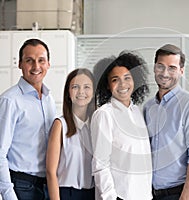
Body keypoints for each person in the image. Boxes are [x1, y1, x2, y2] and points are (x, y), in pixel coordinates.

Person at [143, 44, 189, 200]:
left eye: (172, 68)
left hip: (180, 194)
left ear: (181, 71)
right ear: (154, 68)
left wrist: (185, 197)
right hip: (150, 193)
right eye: (161, 66)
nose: (165, 73)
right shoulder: (148, 107)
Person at [91, 52, 152, 200]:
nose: (122, 84)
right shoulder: (105, 114)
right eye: (115, 80)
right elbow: (100, 164)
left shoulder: (137, 112)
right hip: (120, 196)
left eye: (127, 78)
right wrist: (111, 197)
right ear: (107, 84)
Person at [0, 38, 56, 200]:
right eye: (29, 60)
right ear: (20, 64)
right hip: (22, 186)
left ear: (48, 64)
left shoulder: (48, 98)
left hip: (47, 184)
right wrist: (8, 194)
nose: (36, 67)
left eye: (41, 61)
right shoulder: (10, 101)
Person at [46, 68, 95, 200]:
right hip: (66, 194)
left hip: (93, 194)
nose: (81, 92)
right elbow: (51, 172)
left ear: (93, 92)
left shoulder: (97, 126)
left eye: (86, 87)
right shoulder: (60, 125)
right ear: (68, 92)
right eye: (75, 87)